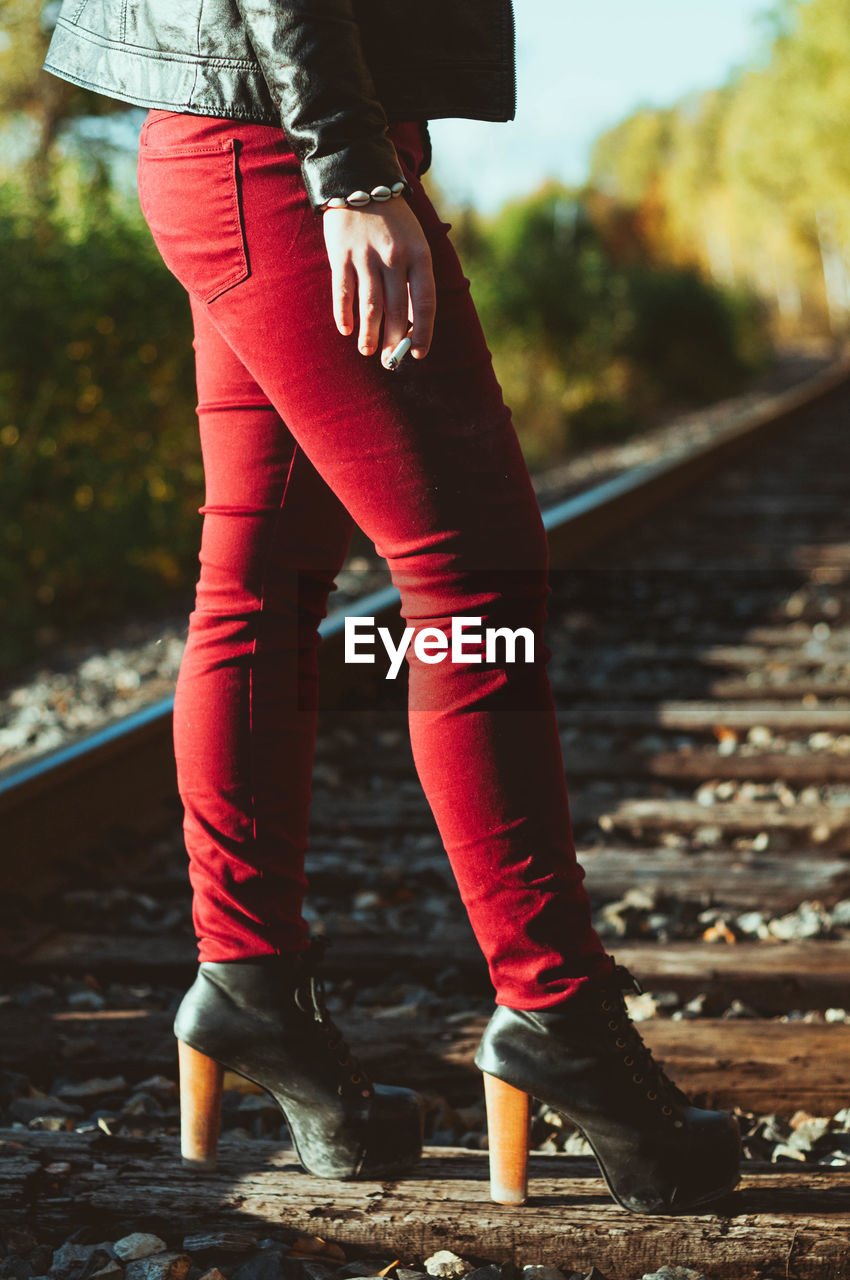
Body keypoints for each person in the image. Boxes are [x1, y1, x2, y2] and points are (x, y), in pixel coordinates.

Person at [41, 0, 741, 1213]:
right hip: (288, 152)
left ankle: (251, 986)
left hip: (226, 133)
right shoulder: (324, 162)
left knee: (258, 579)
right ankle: (557, 1011)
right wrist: (354, 170)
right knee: (473, 580)